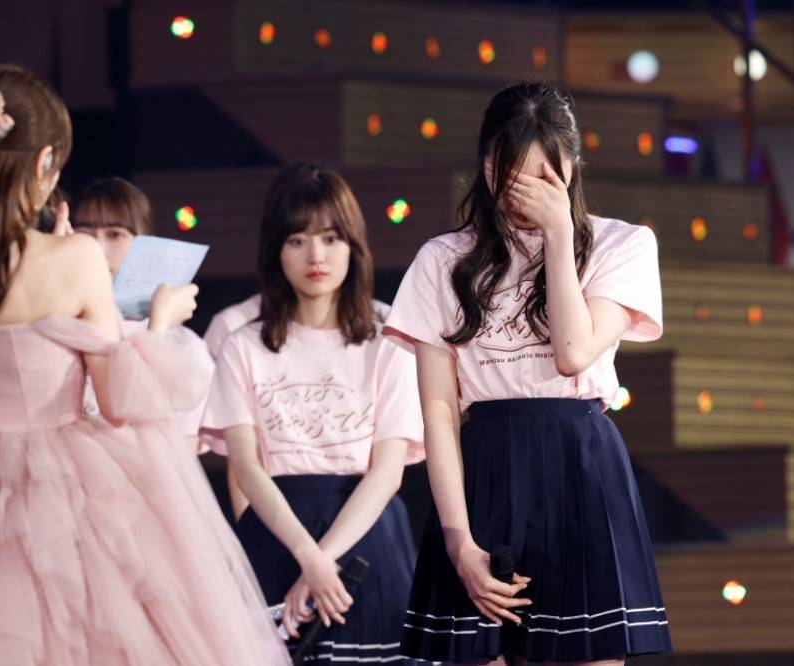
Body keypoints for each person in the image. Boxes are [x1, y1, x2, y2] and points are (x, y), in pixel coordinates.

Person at [0, 64, 287, 665]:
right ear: (44, 162)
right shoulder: (74, 258)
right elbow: (118, 403)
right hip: (66, 486)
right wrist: (162, 321)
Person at [384, 82, 672, 665]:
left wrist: (560, 235)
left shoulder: (622, 245)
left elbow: (573, 352)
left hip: (580, 466)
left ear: (571, 166)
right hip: (485, 467)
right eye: (511, 175)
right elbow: (438, 409)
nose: (526, 195)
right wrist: (458, 539)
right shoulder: (443, 260)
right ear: (487, 168)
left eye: (545, 177)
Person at [201, 162, 425, 664]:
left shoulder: (389, 338)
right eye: (297, 240)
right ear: (275, 250)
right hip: (276, 535)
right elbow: (246, 467)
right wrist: (308, 556)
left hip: (367, 534)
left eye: (330, 238)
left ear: (353, 245)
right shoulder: (242, 346)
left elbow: (388, 471)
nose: (315, 255)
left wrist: (324, 560)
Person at [71, 176, 214, 448]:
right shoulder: (55, 330)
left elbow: (179, 456)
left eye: (115, 234)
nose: (97, 248)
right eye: (84, 234)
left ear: (145, 244)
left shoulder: (185, 348)